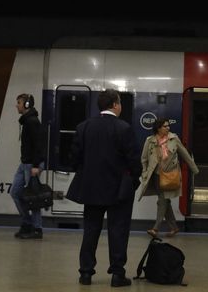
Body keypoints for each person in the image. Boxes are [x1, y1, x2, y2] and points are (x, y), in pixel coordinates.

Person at [66, 89, 142, 287]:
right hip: (119, 190)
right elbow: (134, 160)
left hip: (91, 188)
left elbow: (73, 158)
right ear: (116, 105)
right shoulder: (124, 128)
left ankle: (85, 273)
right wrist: (133, 180)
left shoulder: (84, 127)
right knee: (118, 231)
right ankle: (117, 274)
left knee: (90, 230)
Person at [139, 118, 199, 238]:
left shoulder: (174, 139)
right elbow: (144, 159)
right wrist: (145, 173)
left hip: (170, 175)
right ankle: (174, 227)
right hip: (155, 176)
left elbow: (185, 155)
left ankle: (156, 228)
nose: (168, 128)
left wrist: (194, 169)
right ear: (158, 128)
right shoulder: (150, 141)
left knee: (162, 200)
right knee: (165, 200)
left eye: (168, 126)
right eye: (165, 126)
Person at [10, 93, 45, 239]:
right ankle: (27, 222)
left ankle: (36, 229)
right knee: (16, 192)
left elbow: (39, 145)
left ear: (26, 105)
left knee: (34, 197)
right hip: (25, 163)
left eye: (19, 103)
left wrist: (36, 166)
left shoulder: (32, 122)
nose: (16, 105)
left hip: (32, 164)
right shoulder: (27, 121)